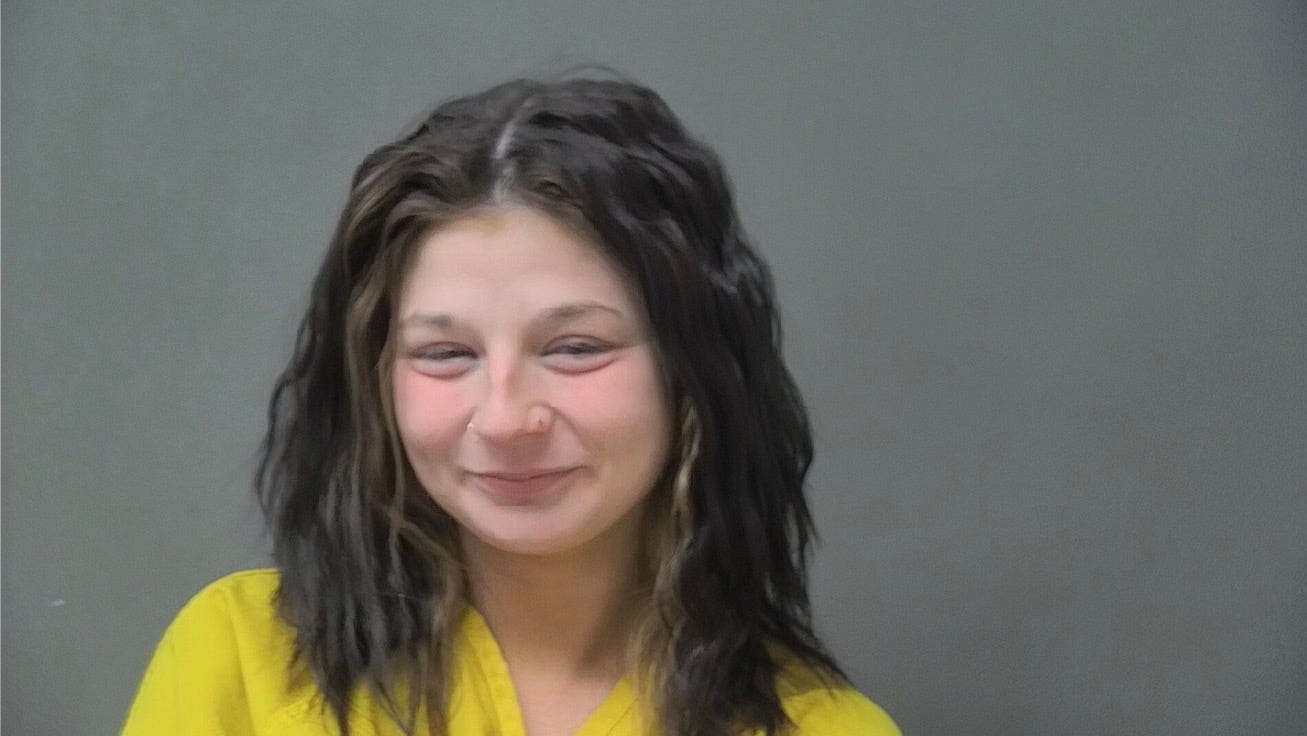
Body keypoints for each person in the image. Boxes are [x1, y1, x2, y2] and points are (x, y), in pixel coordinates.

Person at [121, 74, 900, 736]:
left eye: (575, 348)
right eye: (445, 354)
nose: (503, 419)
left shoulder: (823, 726)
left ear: (695, 370)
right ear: (375, 381)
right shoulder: (239, 660)